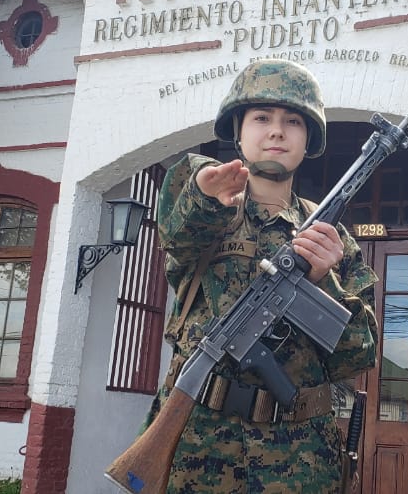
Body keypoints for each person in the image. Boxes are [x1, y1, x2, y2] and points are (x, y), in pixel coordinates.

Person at [143, 59, 378, 493]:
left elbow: (358, 357)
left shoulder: (332, 238)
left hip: (301, 455)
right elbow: (179, 231)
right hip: (200, 443)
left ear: (309, 139)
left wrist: (324, 280)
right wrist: (206, 195)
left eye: (293, 120)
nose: (277, 131)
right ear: (239, 130)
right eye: (262, 118)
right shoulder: (207, 207)